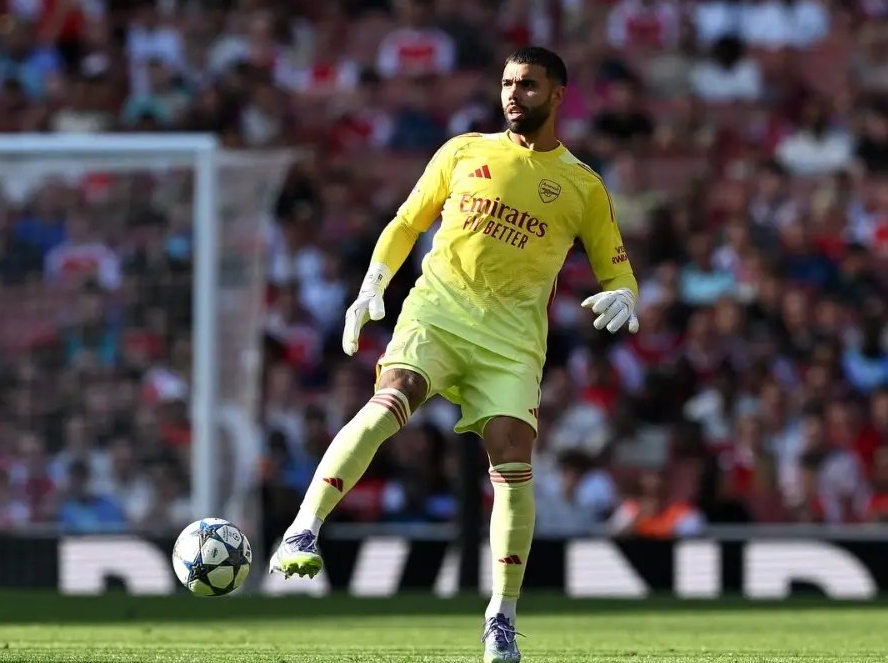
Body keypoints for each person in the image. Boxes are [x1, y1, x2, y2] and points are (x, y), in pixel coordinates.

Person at [268, 47, 640, 663]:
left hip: (513, 339)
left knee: (514, 456)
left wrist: (626, 295)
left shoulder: (582, 186)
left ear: (557, 95)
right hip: (438, 312)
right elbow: (406, 223)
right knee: (391, 399)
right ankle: (304, 526)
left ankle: (502, 616)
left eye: (527, 85)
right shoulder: (464, 150)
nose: (513, 94)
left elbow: (616, 265)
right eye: (506, 83)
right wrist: (370, 288)